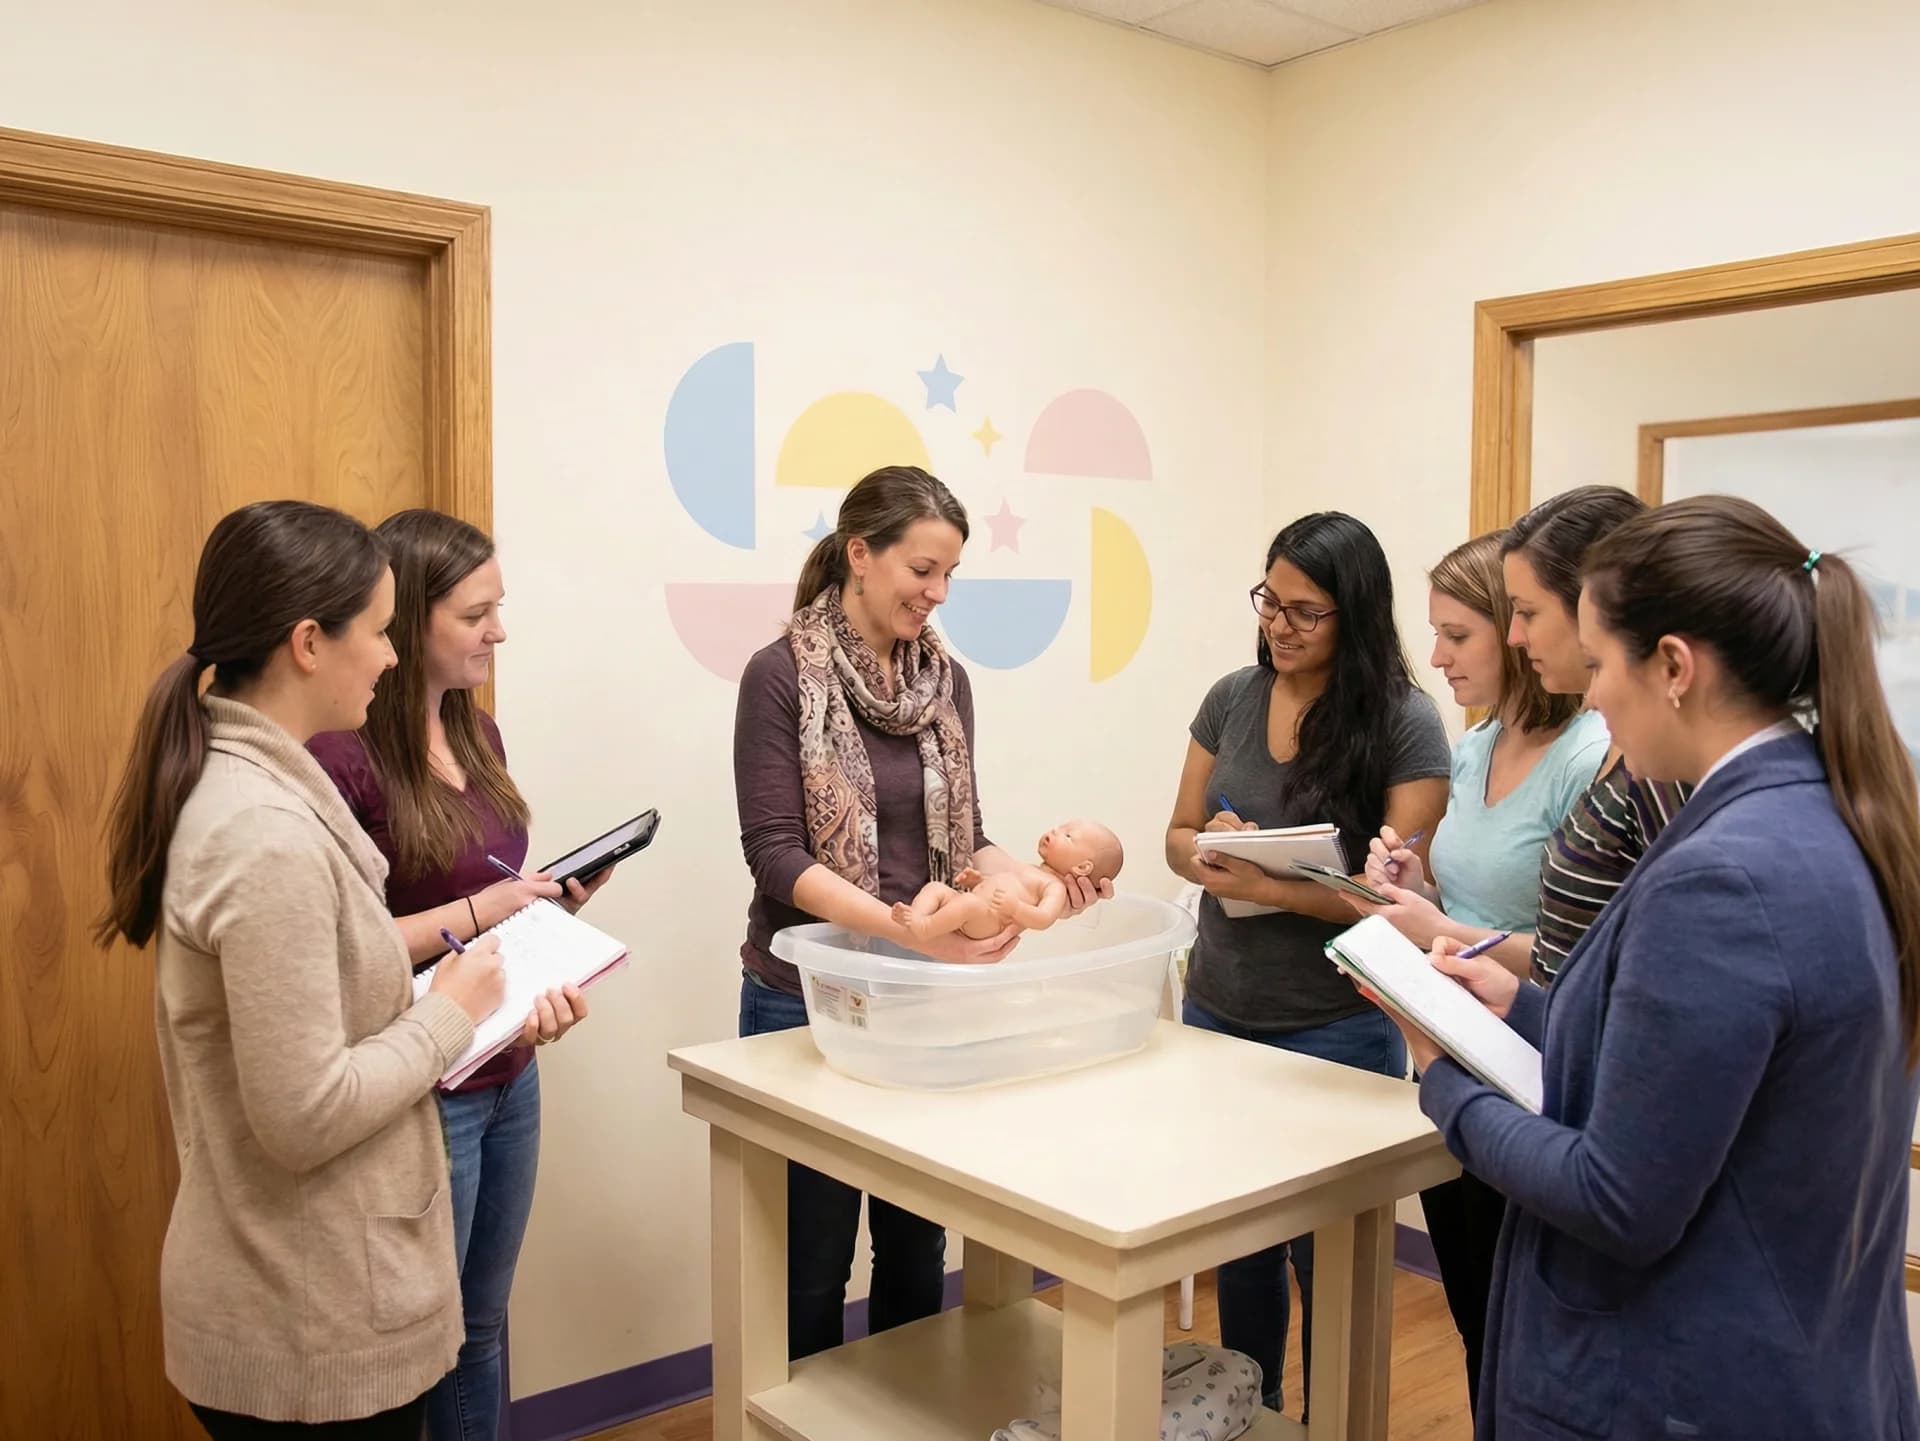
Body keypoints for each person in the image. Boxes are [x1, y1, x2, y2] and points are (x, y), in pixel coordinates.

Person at [1387, 495, 1920, 1439]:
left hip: (1694, 1379)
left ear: (1673, 666)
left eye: (1598, 666)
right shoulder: (1828, 811)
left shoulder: (1724, 875)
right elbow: (1698, 1069)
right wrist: (1525, 1007)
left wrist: (1443, 1077)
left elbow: (1616, 1197)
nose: (1587, 695)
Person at [97, 501, 505, 1440]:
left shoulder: (265, 785)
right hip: (306, 1317)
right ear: (309, 643)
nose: (394, 655)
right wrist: (450, 1011)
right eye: (378, 631)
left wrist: (477, 1007)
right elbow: (305, 1111)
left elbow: (331, 1009)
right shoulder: (264, 833)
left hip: (308, 1291)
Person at [732, 465, 1108, 1360]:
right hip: (809, 997)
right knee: (811, 1258)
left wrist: (1039, 884)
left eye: (949, 576)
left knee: (917, 1243)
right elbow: (777, 854)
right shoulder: (779, 674)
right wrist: (899, 926)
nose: (936, 596)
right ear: (859, 554)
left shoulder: (945, 682)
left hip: (924, 1001)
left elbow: (965, 836)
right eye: (921, 571)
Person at [309, 510, 612, 1441]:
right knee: (424, 1342)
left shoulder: (478, 732)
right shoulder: (342, 756)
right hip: (419, 1085)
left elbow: (492, 895)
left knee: (481, 1327)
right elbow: (350, 944)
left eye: (501, 608)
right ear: (408, 621)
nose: (499, 632)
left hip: (508, 1066)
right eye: (477, 613)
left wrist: (547, 918)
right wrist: (494, 910)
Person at [1162, 510, 1451, 1417]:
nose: (1278, 625)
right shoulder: (1231, 697)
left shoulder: (1405, 722)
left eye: (1305, 611)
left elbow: (1404, 899)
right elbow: (1173, 835)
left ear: (1355, 615)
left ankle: (1336, 1422)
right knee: (1240, 1248)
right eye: (1269, 601)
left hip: (1337, 1028)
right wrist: (1209, 848)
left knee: (1332, 1259)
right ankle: (1253, 1412)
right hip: (1219, 1013)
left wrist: (1279, 885)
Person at [1341, 532, 1606, 1414]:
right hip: (1458, 1051)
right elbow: (1476, 898)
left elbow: (1585, 952)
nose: (1439, 657)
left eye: (1460, 634)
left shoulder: (1590, 757)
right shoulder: (1479, 742)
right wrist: (1416, 887)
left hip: (1536, 1069)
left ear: (1515, 631)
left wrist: (1439, 925)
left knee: (1524, 1337)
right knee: (1474, 1319)